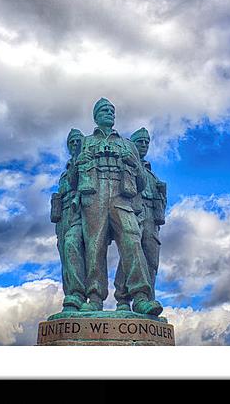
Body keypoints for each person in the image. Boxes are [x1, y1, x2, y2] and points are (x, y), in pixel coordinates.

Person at [75, 98, 163, 316]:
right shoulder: (85, 143)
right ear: (96, 116)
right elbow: (73, 180)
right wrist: (81, 163)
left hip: (121, 196)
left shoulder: (127, 144)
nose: (109, 113)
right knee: (95, 246)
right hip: (94, 196)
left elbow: (141, 182)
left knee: (132, 240)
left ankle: (140, 297)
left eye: (112, 110)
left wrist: (132, 163)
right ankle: (94, 298)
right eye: (104, 110)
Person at [113, 127, 167, 312]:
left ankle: (147, 300)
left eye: (146, 142)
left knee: (151, 259)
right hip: (134, 212)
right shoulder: (126, 166)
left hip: (152, 217)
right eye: (140, 142)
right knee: (130, 254)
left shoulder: (152, 175)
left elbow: (159, 199)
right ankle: (123, 299)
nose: (144, 145)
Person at [50, 129, 87, 312]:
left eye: (78, 141)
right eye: (72, 142)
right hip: (63, 216)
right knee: (66, 257)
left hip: (82, 213)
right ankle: (72, 297)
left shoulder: (86, 163)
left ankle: (79, 293)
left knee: (73, 246)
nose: (75, 145)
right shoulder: (65, 172)